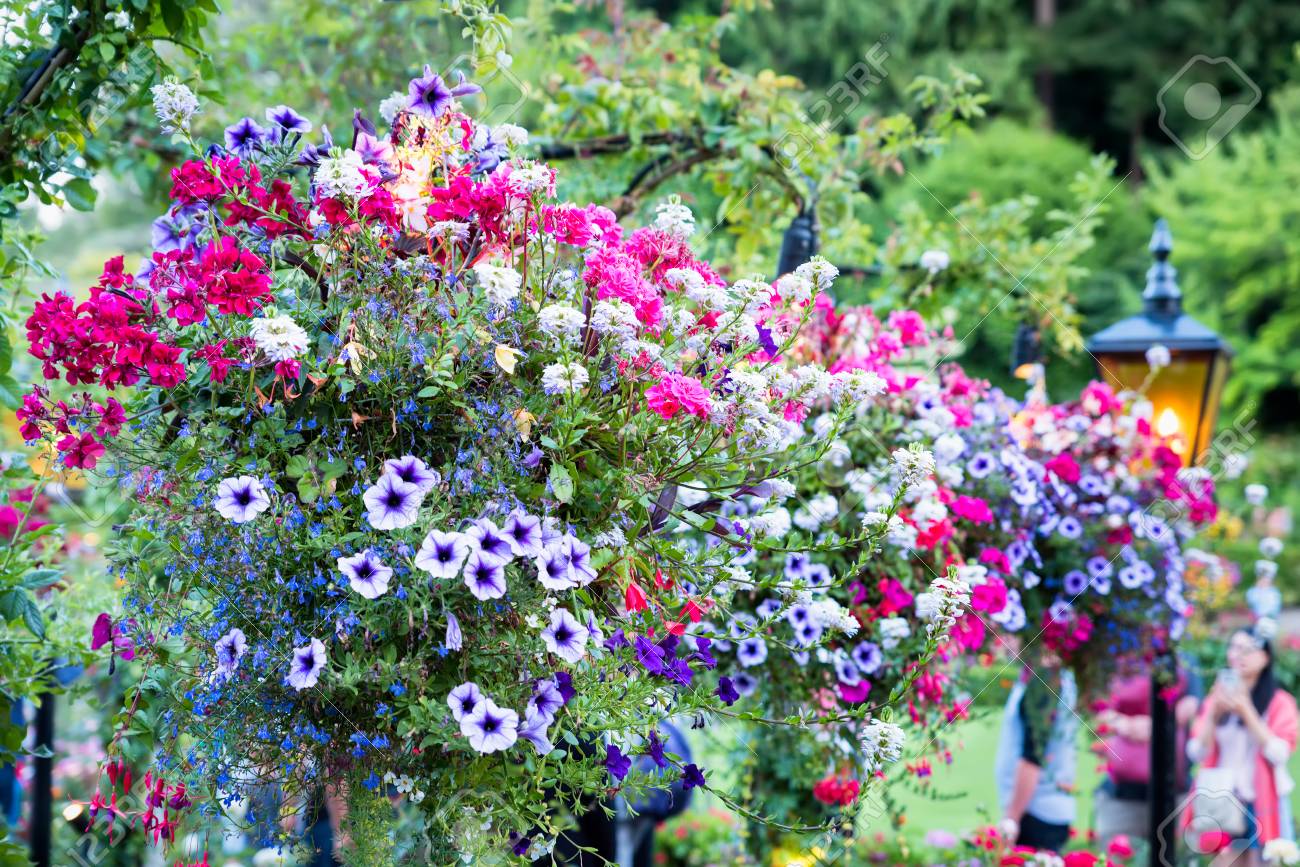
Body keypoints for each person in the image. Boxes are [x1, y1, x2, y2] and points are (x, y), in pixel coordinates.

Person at [1187, 626, 1297, 866]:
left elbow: (1279, 753)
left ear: (1265, 657)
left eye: (1249, 649)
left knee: (1261, 861)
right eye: (1235, 647)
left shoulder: (1280, 703)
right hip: (1224, 797)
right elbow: (1196, 752)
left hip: (1262, 800)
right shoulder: (1215, 699)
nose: (1240, 655)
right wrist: (1213, 715)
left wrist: (1247, 711)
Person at [1093, 663, 1201, 848]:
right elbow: (1098, 706)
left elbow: (1191, 705)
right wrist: (1125, 724)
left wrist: (1154, 726)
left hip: (1173, 795)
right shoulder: (1116, 658)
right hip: (1122, 796)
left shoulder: (1184, 662)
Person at [995, 658, 1078, 852]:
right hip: (1041, 810)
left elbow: (1033, 757)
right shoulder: (1052, 675)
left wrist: (1012, 817)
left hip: (1035, 813)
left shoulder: (1044, 680)